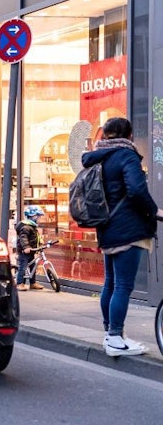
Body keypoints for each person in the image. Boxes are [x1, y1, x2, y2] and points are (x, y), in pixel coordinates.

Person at [81, 116, 158, 357]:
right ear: (129, 135)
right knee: (123, 285)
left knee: (111, 283)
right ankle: (115, 337)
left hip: (106, 226)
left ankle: (110, 334)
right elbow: (136, 189)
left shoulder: (98, 157)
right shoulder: (126, 155)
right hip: (128, 227)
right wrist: (153, 211)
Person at [15, 205, 45, 290]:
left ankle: (33, 283)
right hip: (25, 251)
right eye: (39, 217)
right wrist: (26, 247)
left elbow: (35, 238)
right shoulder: (26, 227)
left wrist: (40, 244)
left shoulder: (32, 226)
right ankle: (20, 283)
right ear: (33, 216)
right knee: (22, 268)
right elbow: (23, 238)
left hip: (31, 251)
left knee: (33, 267)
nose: (39, 219)